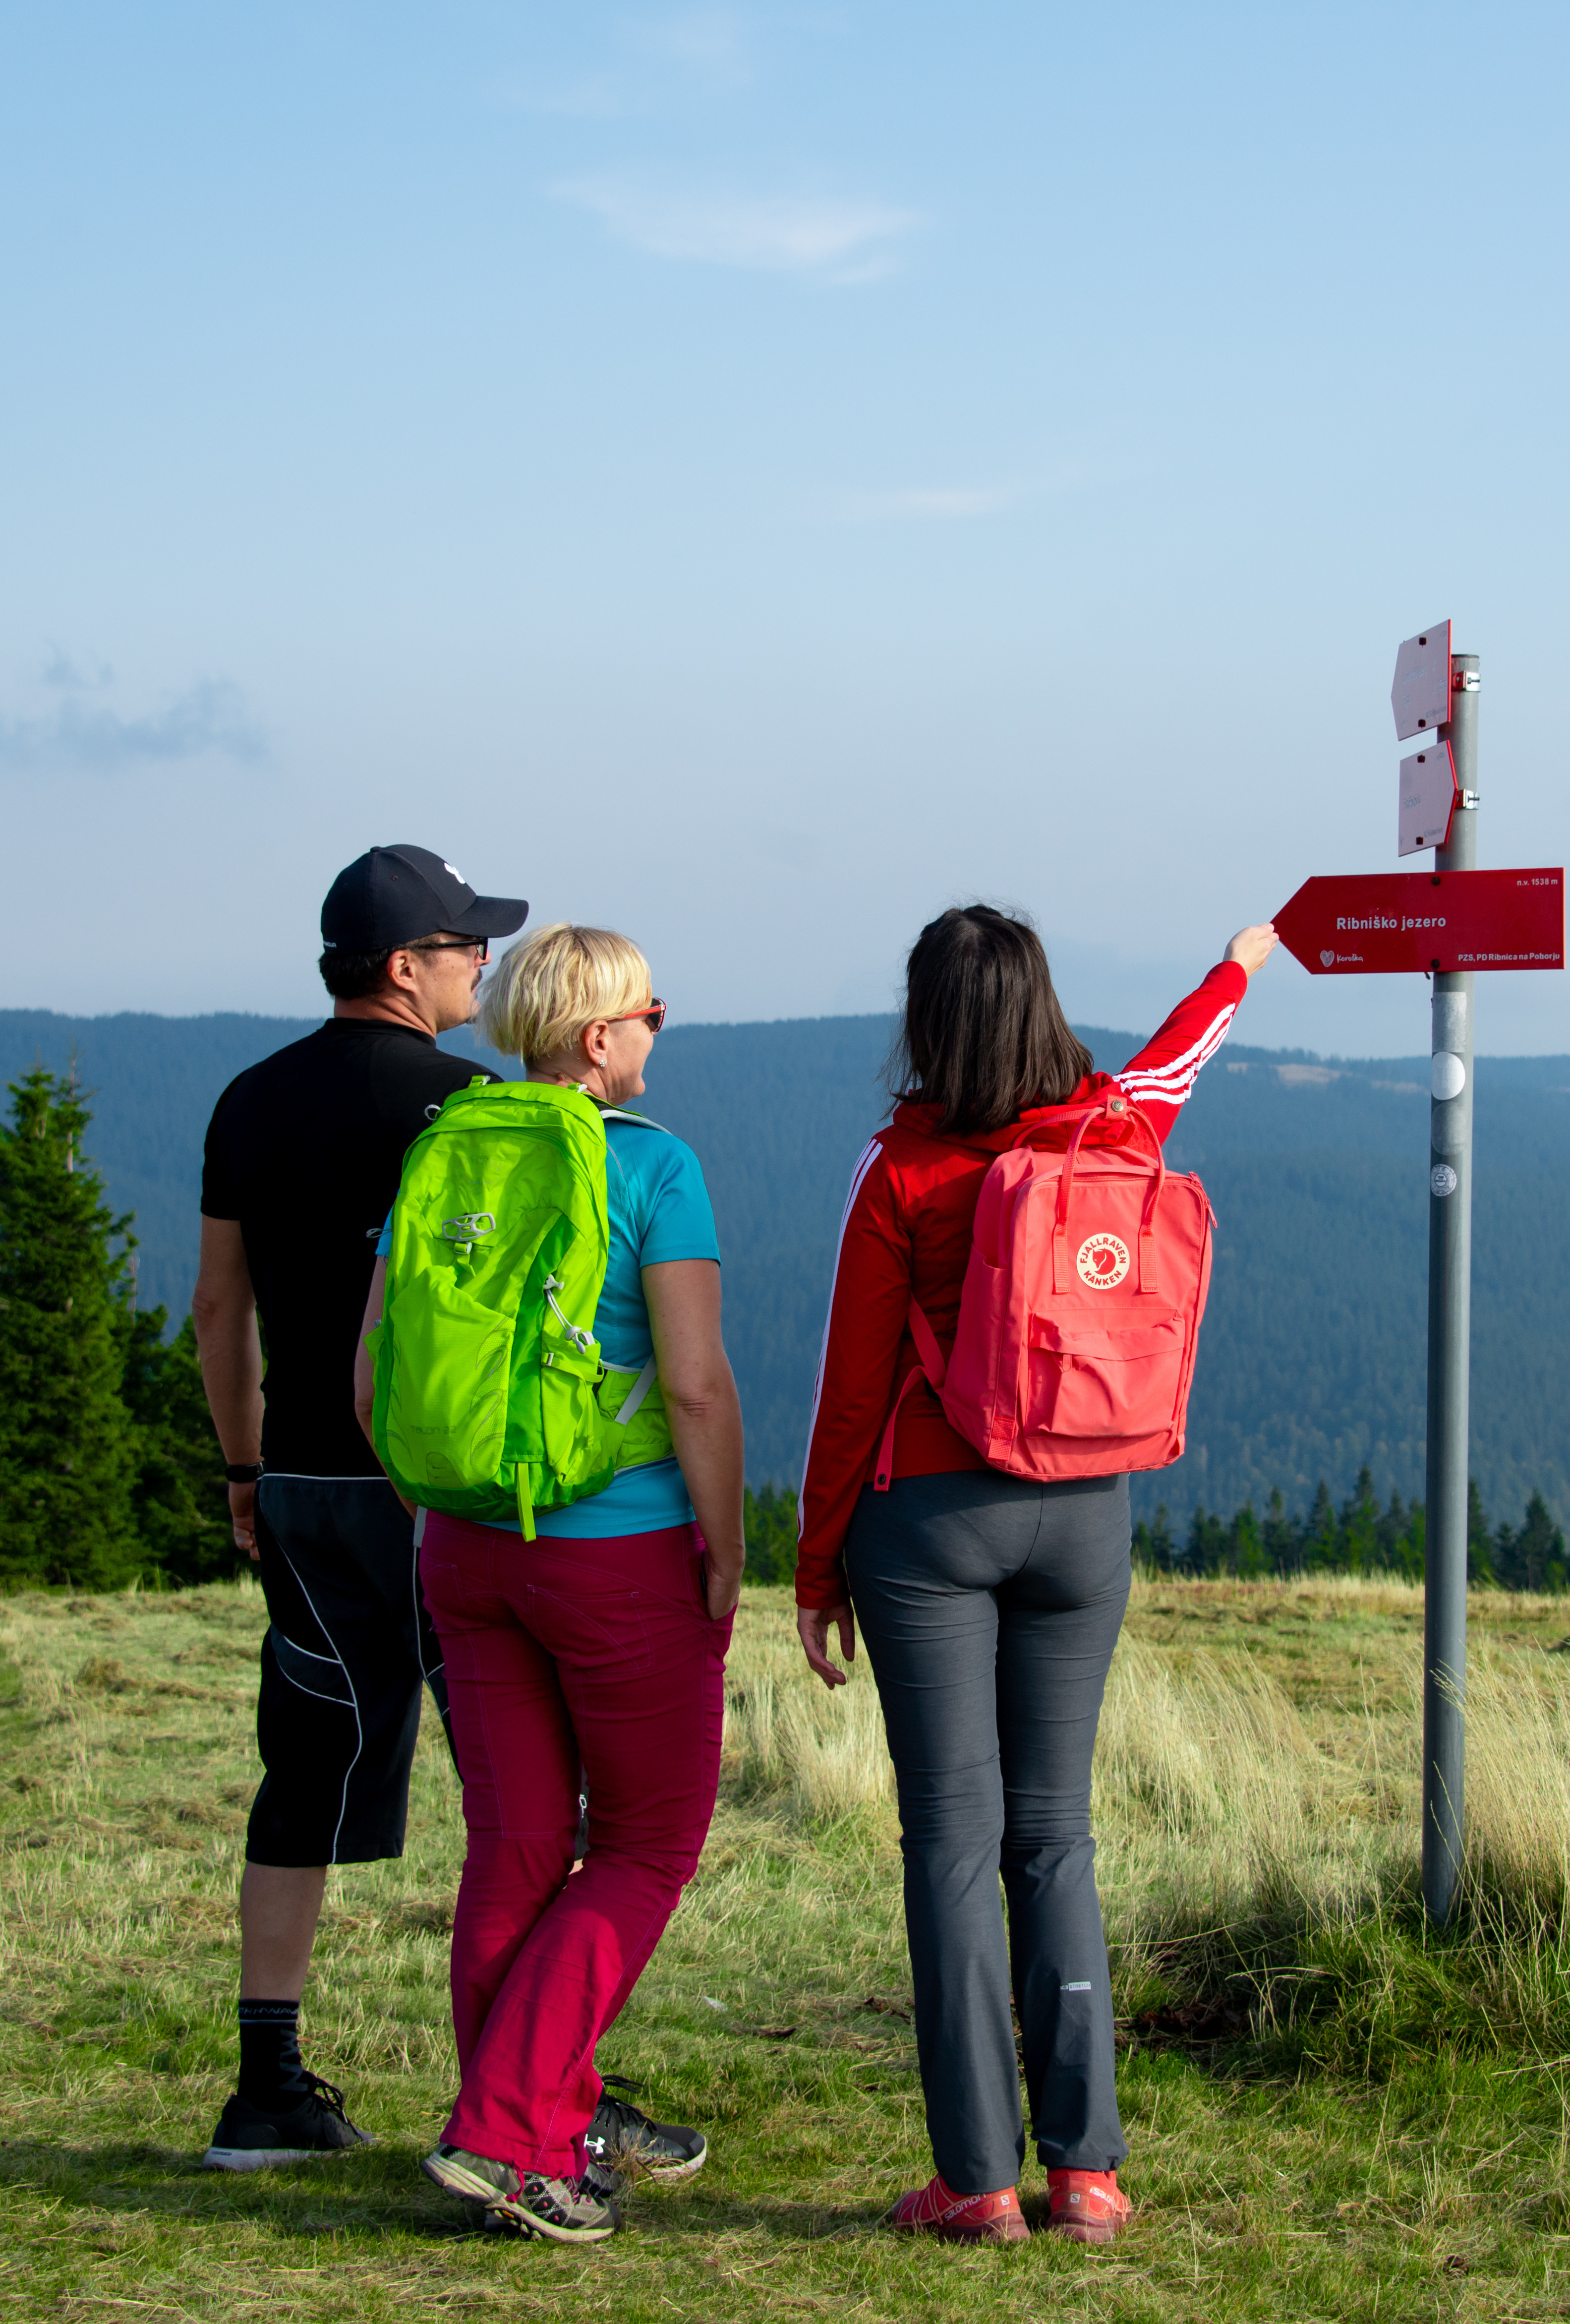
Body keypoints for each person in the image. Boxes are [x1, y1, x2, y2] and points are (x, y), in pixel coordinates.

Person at [793, 904, 1275, 2245]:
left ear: (928, 1021)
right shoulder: (1115, 1126)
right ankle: (1089, 2173)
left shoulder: (897, 1171)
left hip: (930, 1525)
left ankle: (977, 2182)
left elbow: (850, 1389)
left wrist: (816, 1565)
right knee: (1054, 1838)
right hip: (1086, 1515)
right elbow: (1185, 1052)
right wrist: (1242, 960)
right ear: (1045, 1005)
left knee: (951, 1844)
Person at [353, 923, 744, 2246]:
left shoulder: (444, 1152)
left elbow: (372, 1379)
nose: (655, 1029)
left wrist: (446, 1510)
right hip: (619, 1555)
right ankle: (510, 2134)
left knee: (517, 1845)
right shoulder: (658, 1167)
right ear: (599, 1038)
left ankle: (532, 2122)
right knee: (643, 1847)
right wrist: (725, 1548)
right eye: (650, 1012)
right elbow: (694, 1384)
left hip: (464, 1548)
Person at [189, 843, 524, 2172]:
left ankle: (266, 2087)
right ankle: (520, 2094)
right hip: (442, 1493)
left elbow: (221, 1309)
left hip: (308, 1489)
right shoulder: (470, 1107)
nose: (481, 965)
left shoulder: (248, 1101)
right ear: (405, 967)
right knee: (509, 1792)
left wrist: (244, 1470)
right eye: (463, 949)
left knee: (306, 1772)